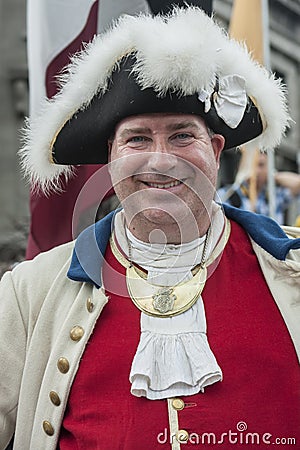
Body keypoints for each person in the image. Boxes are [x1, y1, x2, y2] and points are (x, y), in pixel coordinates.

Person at [1, 7, 300, 450]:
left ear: (216, 150)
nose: (161, 160)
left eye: (182, 136)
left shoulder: (292, 268)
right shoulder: (30, 292)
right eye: (138, 139)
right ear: (110, 156)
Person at [218, 151, 300, 224]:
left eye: (261, 165)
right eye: (252, 164)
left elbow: (298, 184)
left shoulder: (273, 196)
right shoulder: (227, 195)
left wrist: (272, 176)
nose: (256, 170)